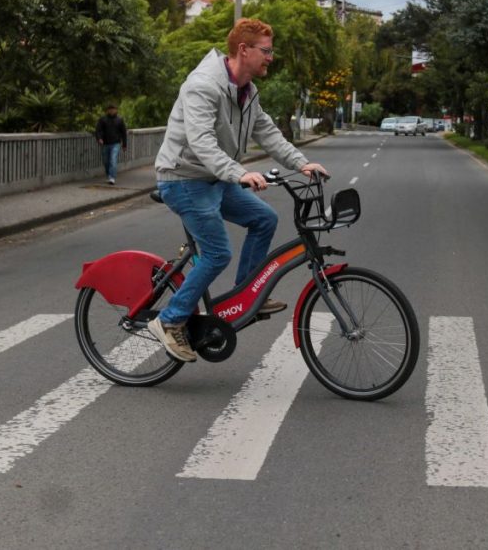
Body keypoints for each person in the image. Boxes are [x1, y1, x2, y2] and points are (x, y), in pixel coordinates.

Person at [150, 18, 328, 362]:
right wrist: (240, 173)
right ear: (243, 50)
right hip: (183, 178)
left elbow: (268, 132)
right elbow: (201, 142)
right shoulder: (203, 86)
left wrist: (301, 163)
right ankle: (170, 320)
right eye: (266, 51)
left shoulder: (247, 91)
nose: (271, 57)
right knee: (217, 253)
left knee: (264, 218)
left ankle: (248, 293)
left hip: (214, 178)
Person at [95, 103, 127, 185]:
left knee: (113, 160)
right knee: (106, 161)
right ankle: (109, 175)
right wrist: (99, 138)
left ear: (116, 110)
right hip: (105, 143)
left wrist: (124, 144)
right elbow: (98, 130)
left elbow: (124, 133)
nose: (112, 111)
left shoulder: (119, 120)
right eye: (110, 109)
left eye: (113, 109)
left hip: (116, 143)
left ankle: (112, 177)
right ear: (108, 110)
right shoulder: (103, 119)